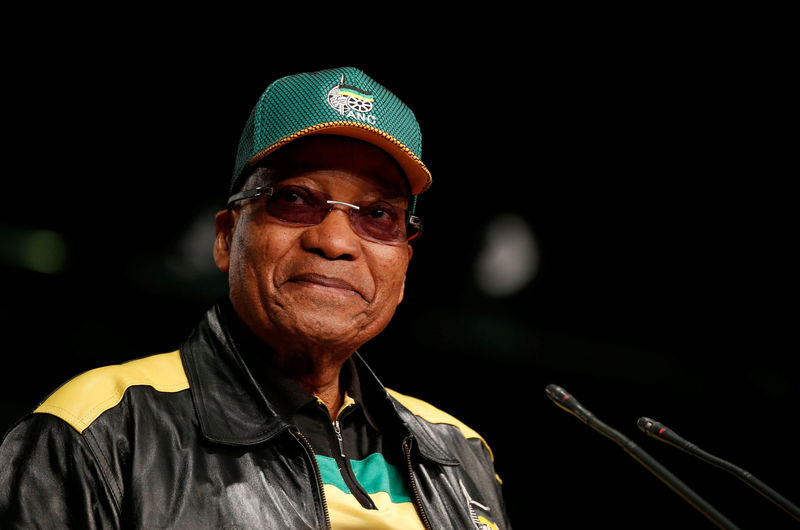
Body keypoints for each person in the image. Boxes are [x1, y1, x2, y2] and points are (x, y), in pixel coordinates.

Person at [0, 66, 510, 529]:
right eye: (294, 199)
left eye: (377, 215)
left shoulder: (457, 453)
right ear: (226, 237)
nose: (334, 242)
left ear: (404, 263)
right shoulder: (101, 433)